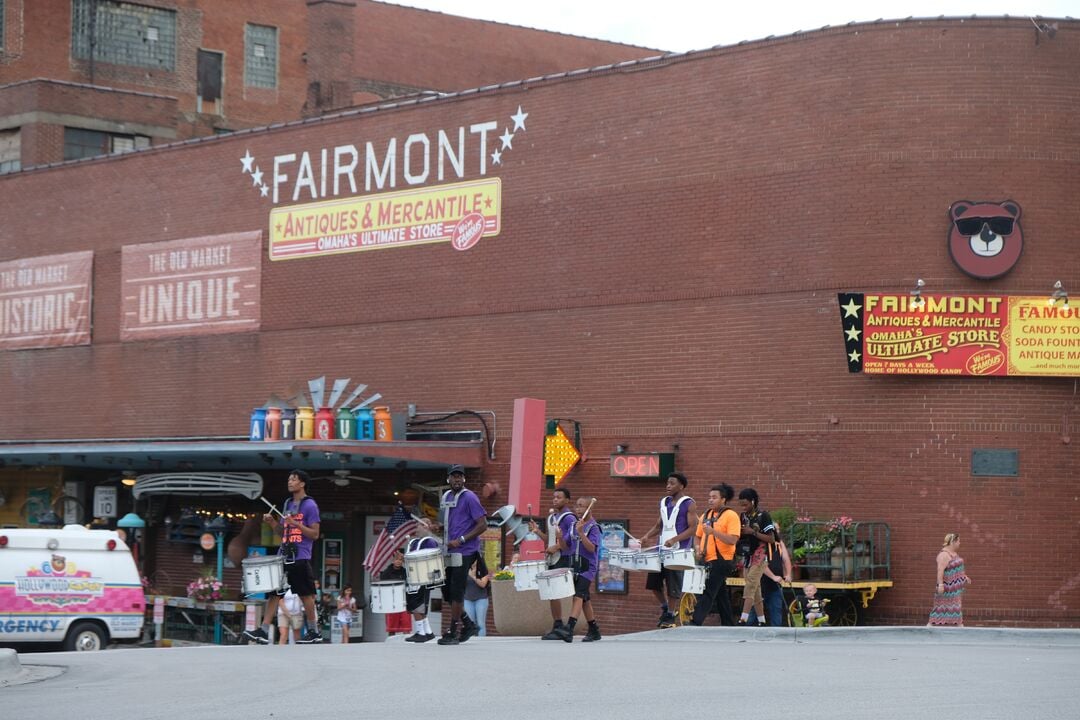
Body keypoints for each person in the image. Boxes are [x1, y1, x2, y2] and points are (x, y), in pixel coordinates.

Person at [243, 470, 323, 644]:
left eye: (294, 479)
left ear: (302, 484)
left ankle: (314, 631)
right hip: (283, 555)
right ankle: (263, 631)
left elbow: (315, 534)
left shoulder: (310, 505)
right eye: (289, 479)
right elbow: (282, 531)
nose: (290, 482)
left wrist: (297, 524)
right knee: (274, 593)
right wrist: (272, 523)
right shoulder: (287, 503)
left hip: (300, 555)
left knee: (306, 594)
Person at [427, 464, 487, 645]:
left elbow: (482, 524)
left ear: (464, 479)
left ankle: (453, 630)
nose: (457, 479)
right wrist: (438, 527)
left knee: (457, 591)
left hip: (465, 551)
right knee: (446, 590)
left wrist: (461, 539)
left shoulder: (470, 497)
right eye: (454, 476)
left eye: (460, 476)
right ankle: (468, 624)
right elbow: (447, 523)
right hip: (449, 551)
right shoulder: (446, 497)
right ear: (448, 479)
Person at [639, 472, 698, 627]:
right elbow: (659, 525)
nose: (668, 486)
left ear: (681, 486)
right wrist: (646, 537)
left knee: (673, 585)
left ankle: (671, 615)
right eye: (667, 483)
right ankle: (665, 608)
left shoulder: (689, 503)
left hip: (678, 551)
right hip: (661, 550)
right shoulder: (664, 502)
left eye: (672, 483)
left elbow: (693, 528)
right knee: (653, 583)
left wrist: (674, 540)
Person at [548, 495, 603, 642]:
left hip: (588, 568)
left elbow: (591, 549)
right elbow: (566, 547)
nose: (578, 509)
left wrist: (581, 533)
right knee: (584, 599)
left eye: (582, 506)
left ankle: (569, 628)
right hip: (575, 566)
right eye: (577, 506)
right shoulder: (573, 526)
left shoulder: (594, 527)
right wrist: (560, 538)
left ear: (589, 508)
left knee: (578, 595)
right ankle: (594, 630)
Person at [528, 488, 577, 639]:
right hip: (552, 558)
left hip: (562, 557)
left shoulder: (569, 518)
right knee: (551, 593)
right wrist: (536, 531)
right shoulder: (551, 517)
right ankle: (557, 624)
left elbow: (572, 540)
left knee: (556, 592)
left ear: (567, 500)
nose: (555, 499)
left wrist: (555, 547)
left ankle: (560, 625)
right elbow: (547, 540)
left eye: (559, 497)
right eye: (554, 497)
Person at [690, 483, 741, 626]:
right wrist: (698, 548)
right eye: (709, 497)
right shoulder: (706, 515)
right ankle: (728, 623)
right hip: (707, 558)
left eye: (714, 497)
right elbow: (698, 536)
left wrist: (713, 532)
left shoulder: (731, 515)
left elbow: (733, 540)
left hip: (723, 559)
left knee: (708, 590)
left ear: (723, 499)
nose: (710, 500)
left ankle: (695, 621)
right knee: (721, 593)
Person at [736, 487, 776, 626]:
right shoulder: (743, 516)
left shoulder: (763, 515)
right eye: (741, 505)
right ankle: (762, 621)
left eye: (746, 504)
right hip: (748, 554)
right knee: (755, 588)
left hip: (761, 554)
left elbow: (771, 539)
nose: (743, 507)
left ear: (753, 501)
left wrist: (752, 532)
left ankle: (743, 618)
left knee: (751, 583)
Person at [748, 519, 793, 626]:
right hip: (760, 583)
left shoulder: (779, 544)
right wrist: (773, 576)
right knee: (755, 609)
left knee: (776, 609)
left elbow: (786, 559)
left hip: (775, 584)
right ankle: (747, 630)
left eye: (777, 529)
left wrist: (788, 574)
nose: (776, 532)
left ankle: (776, 632)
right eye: (774, 529)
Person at [928, 532, 972, 626]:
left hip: (955, 590)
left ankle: (959, 624)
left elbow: (956, 568)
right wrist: (940, 585)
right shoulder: (944, 555)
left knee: (956, 606)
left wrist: (964, 577)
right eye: (958, 541)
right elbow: (940, 571)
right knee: (940, 606)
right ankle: (930, 625)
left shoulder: (954, 553)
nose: (960, 543)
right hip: (947, 588)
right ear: (953, 542)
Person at [463, 556, 492, 636]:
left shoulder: (483, 570)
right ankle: (472, 640)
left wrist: (473, 577)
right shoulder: (465, 569)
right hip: (468, 599)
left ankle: (481, 641)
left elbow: (483, 584)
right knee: (471, 622)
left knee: (480, 623)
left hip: (481, 599)